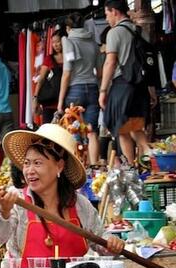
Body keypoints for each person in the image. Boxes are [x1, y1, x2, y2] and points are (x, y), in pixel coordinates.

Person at [0, 123, 124, 266]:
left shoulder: (79, 204)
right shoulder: (17, 200)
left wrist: (112, 243)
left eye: (37, 163)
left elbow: (101, 239)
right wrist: (4, 212)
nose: (29, 170)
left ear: (59, 166)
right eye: (27, 163)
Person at [99, 0, 150, 165]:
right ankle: (151, 156)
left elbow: (110, 62)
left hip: (123, 84)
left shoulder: (114, 32)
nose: (107, 19)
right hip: (140, 85)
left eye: (107, 14)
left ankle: (129, 168)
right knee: (134, 127)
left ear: (114, 11)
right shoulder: (139, 30)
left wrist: (103, 90)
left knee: (121, 128)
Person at [57, 13, 101, 166]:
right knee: (92, 131)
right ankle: (94, 166)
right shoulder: (94, 43)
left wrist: (60, 102)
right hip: (93, 88)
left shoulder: (68, 41)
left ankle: (78, 167)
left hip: (75, 90)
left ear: (68, 28)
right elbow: (100, 71)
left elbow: (67, 72)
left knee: (74, 130)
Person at [34, 29, 65, 124]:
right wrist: (35, 98)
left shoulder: (69, 57)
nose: (55, 45)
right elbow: (41, 79)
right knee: (47, 132)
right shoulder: (49, 59)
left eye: (58, 41)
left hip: (65, 102)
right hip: (50, 102)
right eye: (53, 42)